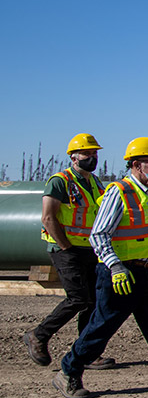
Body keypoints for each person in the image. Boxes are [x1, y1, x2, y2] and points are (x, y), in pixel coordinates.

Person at [52, 137, 148, 398]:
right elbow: (99, 235)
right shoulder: (119, 192)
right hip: (121, 275)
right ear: (136, 164)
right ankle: (68, 371)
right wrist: (115, 267)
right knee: (101, 328)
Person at [23, 133, 115, 370]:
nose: (92, 158)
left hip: (90, 249)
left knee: (93, 302)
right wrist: (65, 246)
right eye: (87, 154)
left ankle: (88, 352)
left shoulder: (94, 183)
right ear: (73, 157)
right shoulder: (60, 181)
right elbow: (48, 217)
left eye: (94, 154)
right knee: (78, 299)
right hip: (66, 249)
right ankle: (39, 335)